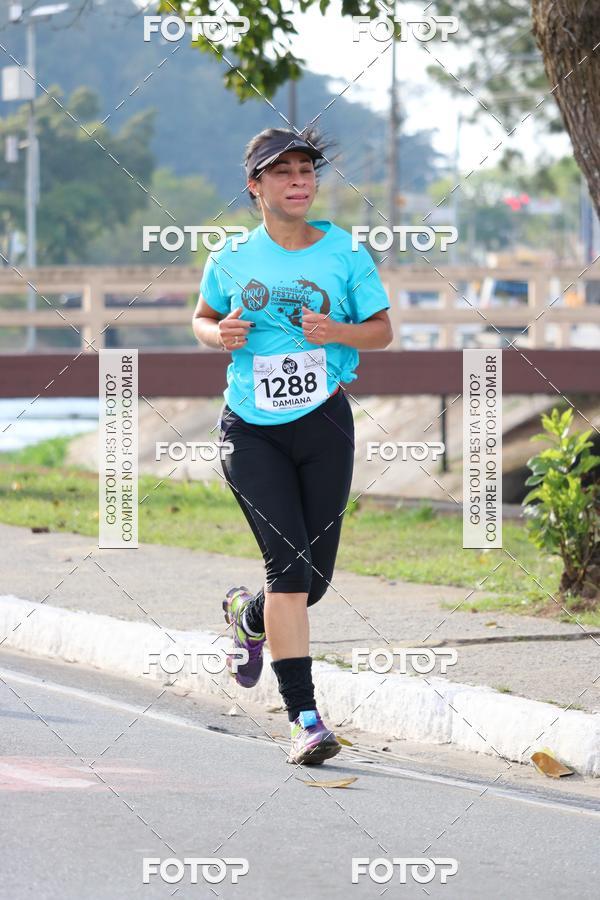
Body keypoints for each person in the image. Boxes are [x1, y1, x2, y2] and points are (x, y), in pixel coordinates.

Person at [192, 126, 393, 765]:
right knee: (289, 568)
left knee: (314, 581)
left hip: (325, 423)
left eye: (306, 171)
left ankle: (248, 619)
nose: (299, 181)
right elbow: (202, 318)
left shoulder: (345, 254)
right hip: (250, 429)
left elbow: (383, 333)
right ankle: (303, 718)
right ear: (255, 187)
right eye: (283, 173)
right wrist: (215, 332)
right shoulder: (230, 258)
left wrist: (338, 329)